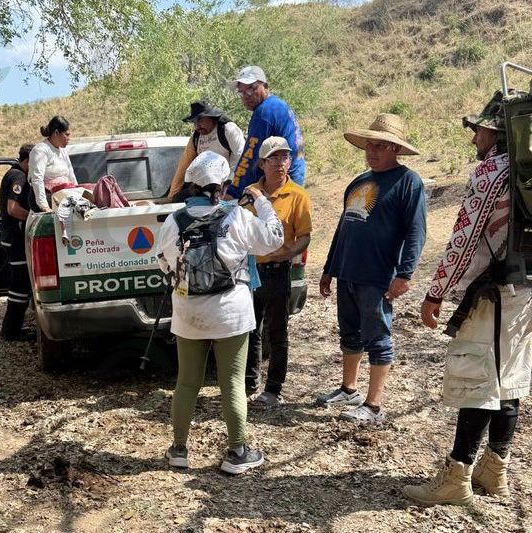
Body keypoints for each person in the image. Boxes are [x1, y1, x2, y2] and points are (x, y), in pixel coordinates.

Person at [403, 92, 532, 505]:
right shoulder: (525, 173)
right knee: (509, 379)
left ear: (494, 131)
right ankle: (495, 470)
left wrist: (436, 291)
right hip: (525, 290)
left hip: (490, 294)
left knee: (478, 382)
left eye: (478, 129)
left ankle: (456, 477)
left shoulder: (491, 172)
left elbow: (464, 239)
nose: (474, 137)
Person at [156, 151, 284, 474]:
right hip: (231, 314)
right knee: (231, 382)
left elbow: (163, 262)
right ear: (222, 185)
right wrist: (261, 201)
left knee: (186, 382)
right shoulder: (236, 216)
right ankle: (237, 452)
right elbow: (273, 239)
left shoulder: (175, 221)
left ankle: (179, 450)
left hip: (189, 315)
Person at [315, 113, 426, 425]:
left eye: (381, 146)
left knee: (377, 335)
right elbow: (344, 226)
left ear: (396, 149)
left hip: (379, 275)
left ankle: (374, 405)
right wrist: (329, 267)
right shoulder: (359, 182)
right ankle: (348, 388)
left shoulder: (408, 182)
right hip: (347, 270)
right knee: (349, 332)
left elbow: (416, 231)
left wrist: (405, 274)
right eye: (369, 145)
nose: (372, 151)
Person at [245, 137, 312, 403]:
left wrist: (285, 253)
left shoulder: (297, 195)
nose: (280, 163)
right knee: (248, 329)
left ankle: (273, 388)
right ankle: (249, 384)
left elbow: (304, 236)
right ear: (262, 163)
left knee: (277, 331)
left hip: (277, 272)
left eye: (284, 157)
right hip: (249, 273)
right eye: (273, 158)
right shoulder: (250, 192)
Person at [226, 65, 306, 199]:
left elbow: (249, 157)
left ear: (265, 86)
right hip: (294, 173)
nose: (247, 96)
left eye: (252, 89)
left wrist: (233, 192)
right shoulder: (277, 104)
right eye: (242, 92)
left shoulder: (264, 112)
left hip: (281, 180)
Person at [168, 101, 245, 201]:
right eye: (195, 122)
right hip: (204, 187)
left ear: (212, 118)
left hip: (230, 184)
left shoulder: (228, 130)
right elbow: (183, 166)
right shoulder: (196, 137)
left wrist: (228, 187)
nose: (197, 125)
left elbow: (242, 158)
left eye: (200, 120)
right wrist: (172, 194)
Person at [0, 143, 35, 341]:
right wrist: (33, 217)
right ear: (27, 161)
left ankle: (10, 329)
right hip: (15, 239)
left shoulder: (13, 174)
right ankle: (11, 331)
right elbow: (13, 208)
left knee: (18, 285)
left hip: (11, 237)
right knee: (19, 286)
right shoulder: (18, 177)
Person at [28, 116, 77, 212]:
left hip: (64, 196)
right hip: (48, 197)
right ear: (56, 133)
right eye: (66, 135)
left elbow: (71, 175)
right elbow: (37, 179)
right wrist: (44, 206)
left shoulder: (63, 151)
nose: (68, 138)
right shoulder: (41, 150)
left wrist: (77, 193)